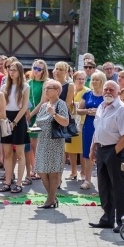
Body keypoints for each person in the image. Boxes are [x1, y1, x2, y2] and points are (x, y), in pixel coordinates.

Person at [88, 80, 124, 232]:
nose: (108, 92)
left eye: (111, 90)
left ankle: (123, 221)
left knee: (118, 187)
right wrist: (92, 147)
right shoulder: (102, 106)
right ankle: (108, 218)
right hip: (101, 149)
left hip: (115, 150)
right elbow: (98, 129)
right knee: (103, 186)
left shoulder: (122, 109)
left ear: (118, 92)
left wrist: (114, 152)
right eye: (106, 89)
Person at [33, 79, 71, 209]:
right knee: (42, 170)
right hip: (42, 141)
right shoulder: (44, 105)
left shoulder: (61, 104)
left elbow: (65, 122)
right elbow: (38, 121)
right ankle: (52, 197)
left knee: (53, 171)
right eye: (45, 89)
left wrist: (53, 113)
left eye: (48, 88)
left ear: (57, 91)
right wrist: (34, 126)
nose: (46, 91)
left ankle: (49, 200)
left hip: (54, 142)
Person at [0, 61, 30, 194]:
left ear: (20, 72)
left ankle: (18, 183)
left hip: (19, 119)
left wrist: (14, 122)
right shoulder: (4, 87)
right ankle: (7, 182)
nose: (12, 72)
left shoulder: (25, 87)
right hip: (6, 118)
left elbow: (24, 107)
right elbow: (1, 105)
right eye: (10, 69)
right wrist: (6, 120)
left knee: (20, 153)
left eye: (14, 70)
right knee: (7, 153)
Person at [76, 70, 106, 190]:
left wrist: (99, 112)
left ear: (102, 81)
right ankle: (87, 180)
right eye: (92, 79)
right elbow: (79, 110)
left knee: (102, 153)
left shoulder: (106, 94)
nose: (93, 82)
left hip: (103, 126)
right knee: (88, 153)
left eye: (96, 80)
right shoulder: (87, 94)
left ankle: (102, 181)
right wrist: (88, 111)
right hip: (88, 125)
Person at [25, 59, 49, 183]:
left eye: (39, 69)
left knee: (36, 145)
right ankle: (32, 168)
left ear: (43, 71)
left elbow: (43, 101)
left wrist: (31, 115)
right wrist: (26, 114)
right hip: (27, 114)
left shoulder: (45, 83)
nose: (36, 70)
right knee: (28, 145)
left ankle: (38, 168)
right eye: (35, 68)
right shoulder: (28, 82)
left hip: (38, 116)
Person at [65, 70, 89, 181]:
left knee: (82, 150)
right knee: (70, 149)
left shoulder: (87, 92)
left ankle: (83, 172)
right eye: (79, 78)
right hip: (70, 122)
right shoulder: (71, 91)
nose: (81, 81)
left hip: (82, 123)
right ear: (74, 80)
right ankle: (73, 172)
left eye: (83, 79)